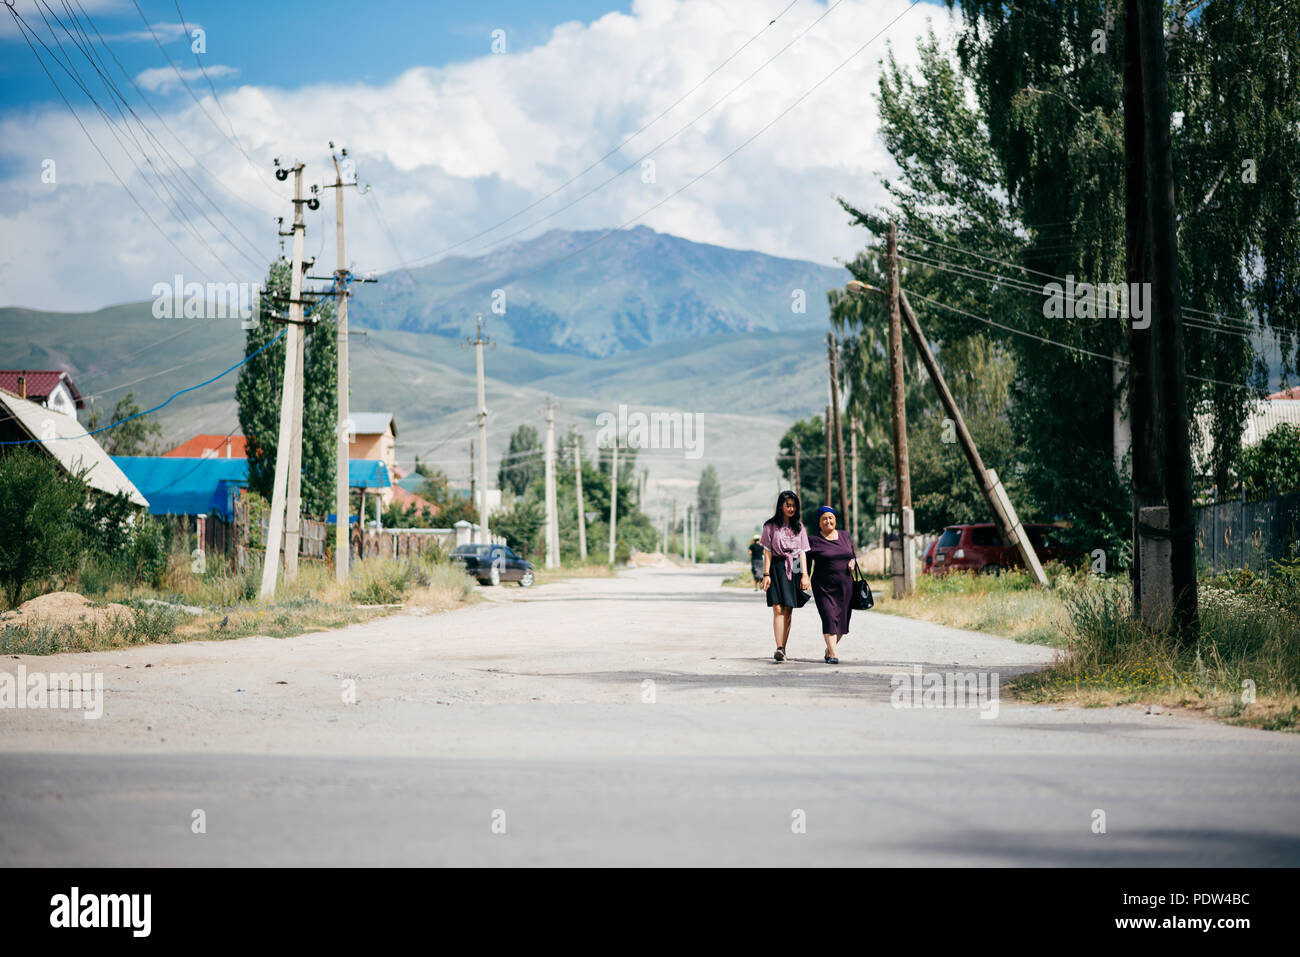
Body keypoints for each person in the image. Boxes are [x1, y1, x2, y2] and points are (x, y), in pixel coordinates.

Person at [759, 490, 810, 662]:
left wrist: (805, 574)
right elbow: (767, 552)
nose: (791, 508)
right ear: (781, 506)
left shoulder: (800, 527)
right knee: (777, 608)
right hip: (776, 567)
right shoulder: (769, 526)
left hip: (794, 567)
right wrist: (766, 574)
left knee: (788, 609)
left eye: (794, 506)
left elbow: (803, 552)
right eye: (788, 505)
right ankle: (779, 646)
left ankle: (783, 648)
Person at [805, 505, 856, 664]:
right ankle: (833, 654)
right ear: (819, 523)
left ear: (835, 519)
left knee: (842, 621)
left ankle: (829, 649)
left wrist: (853, 561)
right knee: (828, 617)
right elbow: (805, 562)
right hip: (823, 587)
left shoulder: (845, 536)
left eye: (830, 518)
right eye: (824, 519)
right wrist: (804, 577)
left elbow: (852, 554)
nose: (828, 521)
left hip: (845, 585)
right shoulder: (813, 540)